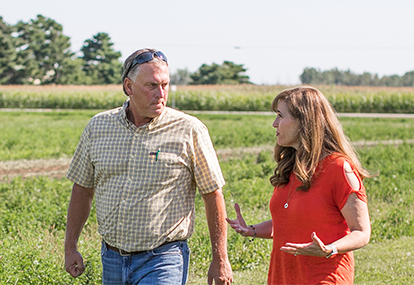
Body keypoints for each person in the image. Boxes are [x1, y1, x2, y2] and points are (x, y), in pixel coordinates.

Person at [64, 48, 233, 285]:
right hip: (111, 257)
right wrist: (70, 247)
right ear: (128, 86)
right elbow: (82, 189)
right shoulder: (98, 127)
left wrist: (220, 258)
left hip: (163, 258)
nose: (160, 93)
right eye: (152, 86)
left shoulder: (189, 130)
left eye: (165, 85)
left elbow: (212, 194)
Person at [226, 86, 371, 284]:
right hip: (284, 277)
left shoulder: (339, 168)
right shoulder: (291, 167)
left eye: (280, 115)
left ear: (304, 121)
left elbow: (362, 232)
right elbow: (289, 225)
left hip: (325, 277)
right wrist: (250, 230)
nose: (274, 123)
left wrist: (330, 249)